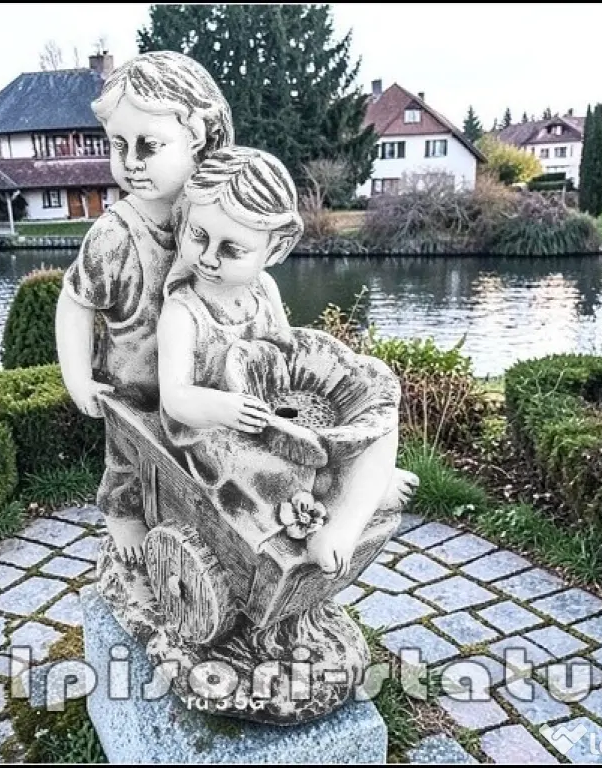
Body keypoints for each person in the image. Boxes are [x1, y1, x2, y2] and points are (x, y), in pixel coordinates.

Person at [157, 147, 415, 579]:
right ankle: (334, 501)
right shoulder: (183, 311)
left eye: (231, 248)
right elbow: (175, 397)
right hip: (216, 429)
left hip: (272, 412)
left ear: (275, 248)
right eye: (198, 236)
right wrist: (225, 408)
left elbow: (285, 349)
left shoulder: (264, 289)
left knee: (380, 424)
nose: (208, 257)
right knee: (271, 467)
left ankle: (344, 520)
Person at [55, 51, 234, 567]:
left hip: (202, 375)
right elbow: (75, 303)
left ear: (195, 137)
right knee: (129, 456)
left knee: (205, 454)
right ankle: (122, 515)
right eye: (119, 145)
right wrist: (78, 379)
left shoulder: (211, 216)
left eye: (149, 146)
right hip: (135, 380)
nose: (131, 161)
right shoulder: (113, 234)